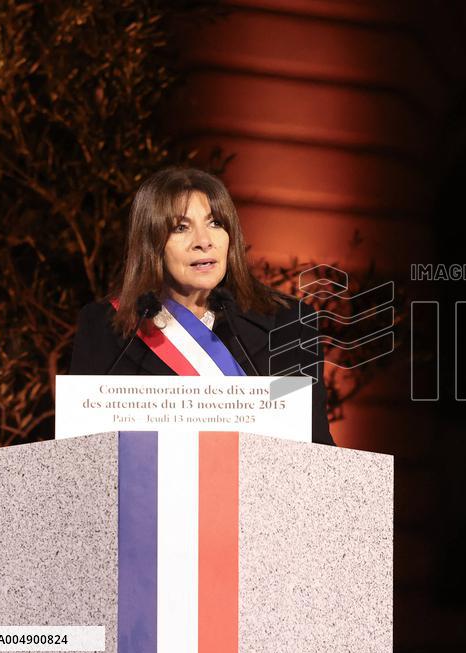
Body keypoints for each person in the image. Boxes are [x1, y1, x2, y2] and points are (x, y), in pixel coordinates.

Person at [68, 167, 336, 446]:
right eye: (180, 228)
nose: (204, 241)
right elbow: (81, 453)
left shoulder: (288, 323)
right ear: (151, 243)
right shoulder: (105, 326)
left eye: (216, 223)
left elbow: (316, 450)